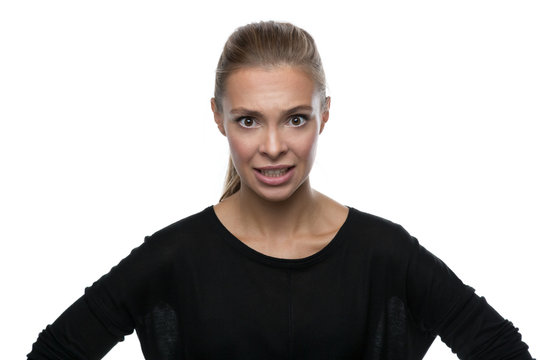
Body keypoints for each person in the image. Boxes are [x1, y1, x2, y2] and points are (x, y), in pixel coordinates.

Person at [28, 21, 534, 360]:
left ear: (325, 115)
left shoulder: (385, 254)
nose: (273, 147)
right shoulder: (172, 258)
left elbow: (502, 350)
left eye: (295, 119)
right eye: (249, 120)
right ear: (218, 119)